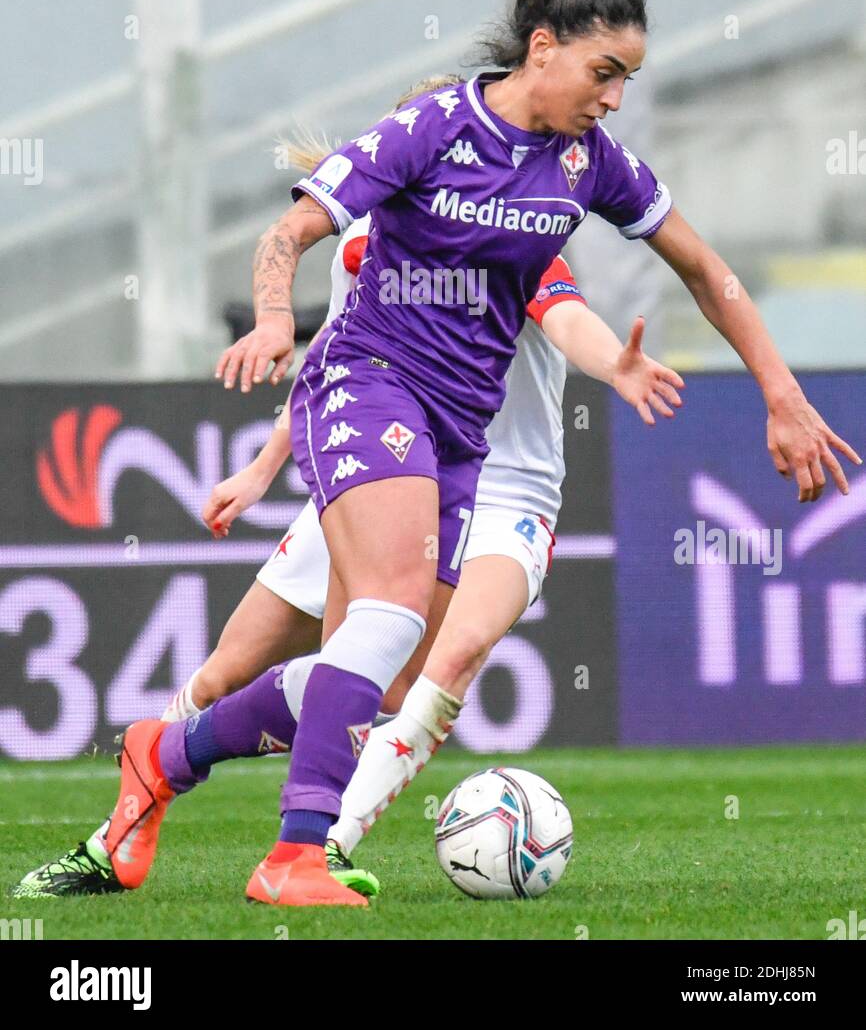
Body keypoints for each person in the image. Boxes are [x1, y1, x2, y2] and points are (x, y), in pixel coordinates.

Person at [20, 0, 858, 910]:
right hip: (369, 391)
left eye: (626, 77)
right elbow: (291, 229)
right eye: (602, 70)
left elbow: (703, 270)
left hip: (452, 438)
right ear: (541, 46)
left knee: (362, 673)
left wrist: (778, 391)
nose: (613, 96)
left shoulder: (585, 168)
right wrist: (277, 323)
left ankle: (167, 753)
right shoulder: (429, 133)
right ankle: (294, 854)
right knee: (375, 618)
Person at [13, 173, 685, 902]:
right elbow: (337, 358)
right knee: (228, 673)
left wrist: (615, 364)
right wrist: (264, 467)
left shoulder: (515, 241)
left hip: (502, 489)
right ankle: (124, 822)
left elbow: (565, 320)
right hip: (382, 469)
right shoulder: (367, 246)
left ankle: (323, 842)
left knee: (421, 666)